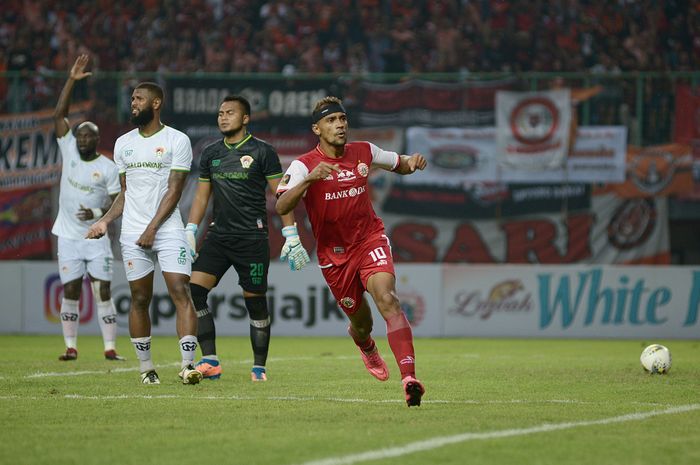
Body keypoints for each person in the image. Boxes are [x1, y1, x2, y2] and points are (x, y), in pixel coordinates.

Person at [275, 96, 427, 407]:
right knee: (362, 323)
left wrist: (411, 163)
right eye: (331, 121)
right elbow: (281, 205)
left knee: (389, 299)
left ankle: (409, 378)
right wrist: (309, 182)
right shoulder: (303, 165)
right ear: (317, 128)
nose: (340, 125)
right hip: (334, 256)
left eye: (342, 119)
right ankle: (366, 346)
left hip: (369, 240)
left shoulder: (364, 151)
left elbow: (398, 162)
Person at [185, 95, 309, 382]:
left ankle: (258, 368)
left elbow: (283, 196)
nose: (223, 117)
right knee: (195, 290)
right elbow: (203, 195)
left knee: (255, 303)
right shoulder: (210, 153)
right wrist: (190, 230)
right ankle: (211, 360)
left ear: (245, 118)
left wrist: (291, 235)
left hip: (252, 239)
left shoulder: (263, 151)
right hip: (218, 237)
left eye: (230, 112)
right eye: (220, 113)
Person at [86, 81, 202, 385]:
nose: (133, 103)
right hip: (133, 234)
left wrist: (153, 228)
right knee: (139, 297)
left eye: (139, 98)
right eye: (132, 98)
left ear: (156, 103)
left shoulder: (177, 140)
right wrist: (105, 221)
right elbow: (125, 193)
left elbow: (175, 190)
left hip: (168, 230)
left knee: (180, 290)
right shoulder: (123, 144)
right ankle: (146, 368)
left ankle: (187, 365)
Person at [51, 54, 125, 362]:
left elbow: (114, 202)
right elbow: (59, 115)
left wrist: (96, 216)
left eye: (86, 135)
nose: (80, 139)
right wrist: (70, 79)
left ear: (96, 139)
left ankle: (110, 348)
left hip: (96, 239)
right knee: (70, 291)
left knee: (102, 293)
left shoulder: (107, 167)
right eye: (78, 134)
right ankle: (71, 347)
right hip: (68, 237)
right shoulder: (67, 148)